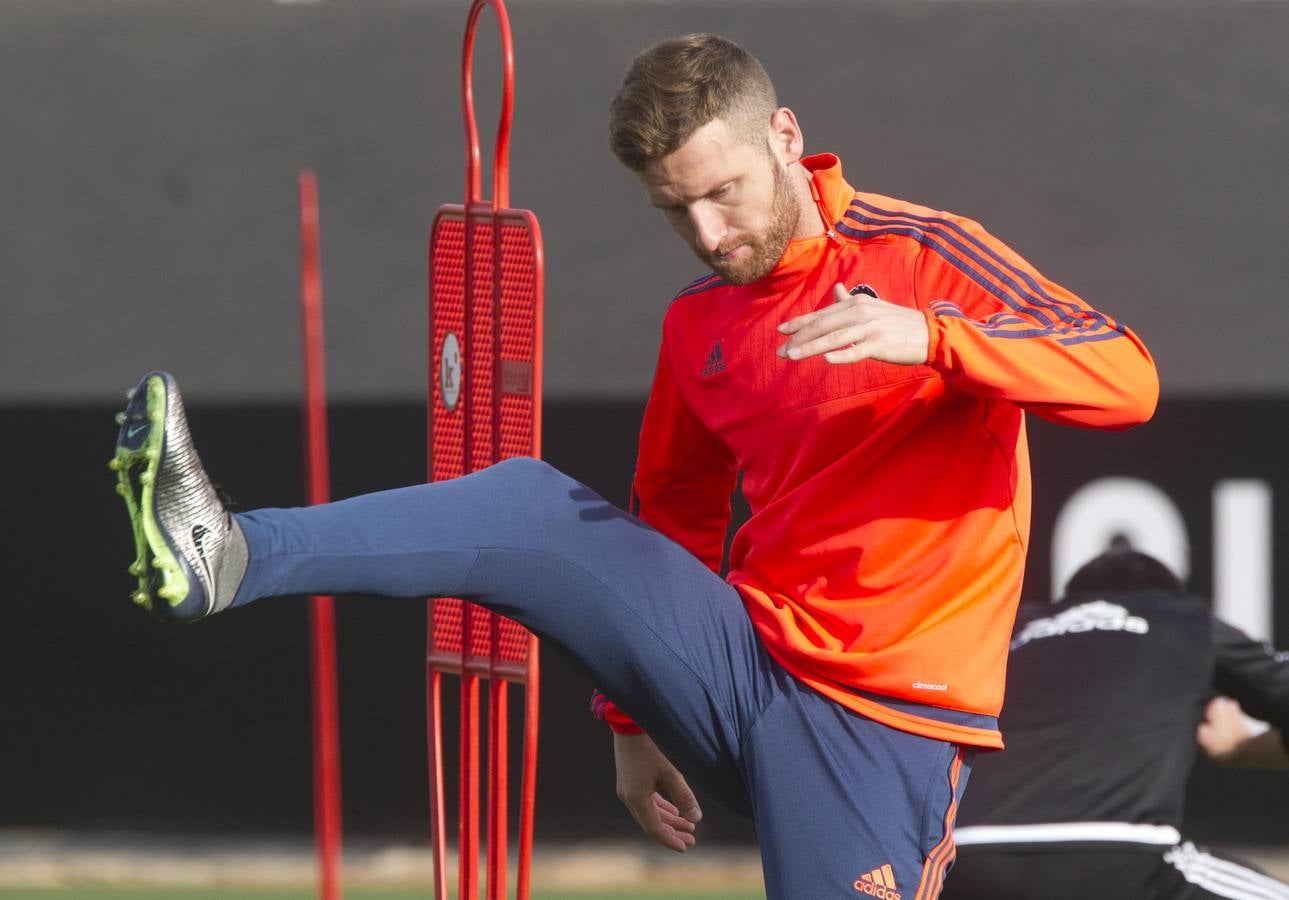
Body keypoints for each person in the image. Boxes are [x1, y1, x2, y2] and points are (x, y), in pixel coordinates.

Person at [108, 34, 1158, 898]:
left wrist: (929, 339)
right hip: (740, 665)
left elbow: (1126, 377)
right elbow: (675, 510)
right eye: (672, 209)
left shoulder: (924, 256)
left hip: (879, 723)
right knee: (529, 506)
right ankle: (231, 553)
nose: (704, 232)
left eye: (722, 193)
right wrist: (630, 725)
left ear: (785, 139)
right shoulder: (698, 322)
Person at [942, 549, 1289, 900]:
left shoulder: (1014, 630)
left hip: (965, 858)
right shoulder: (1183, 619)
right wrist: (1242, 749)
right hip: (1118, 856)